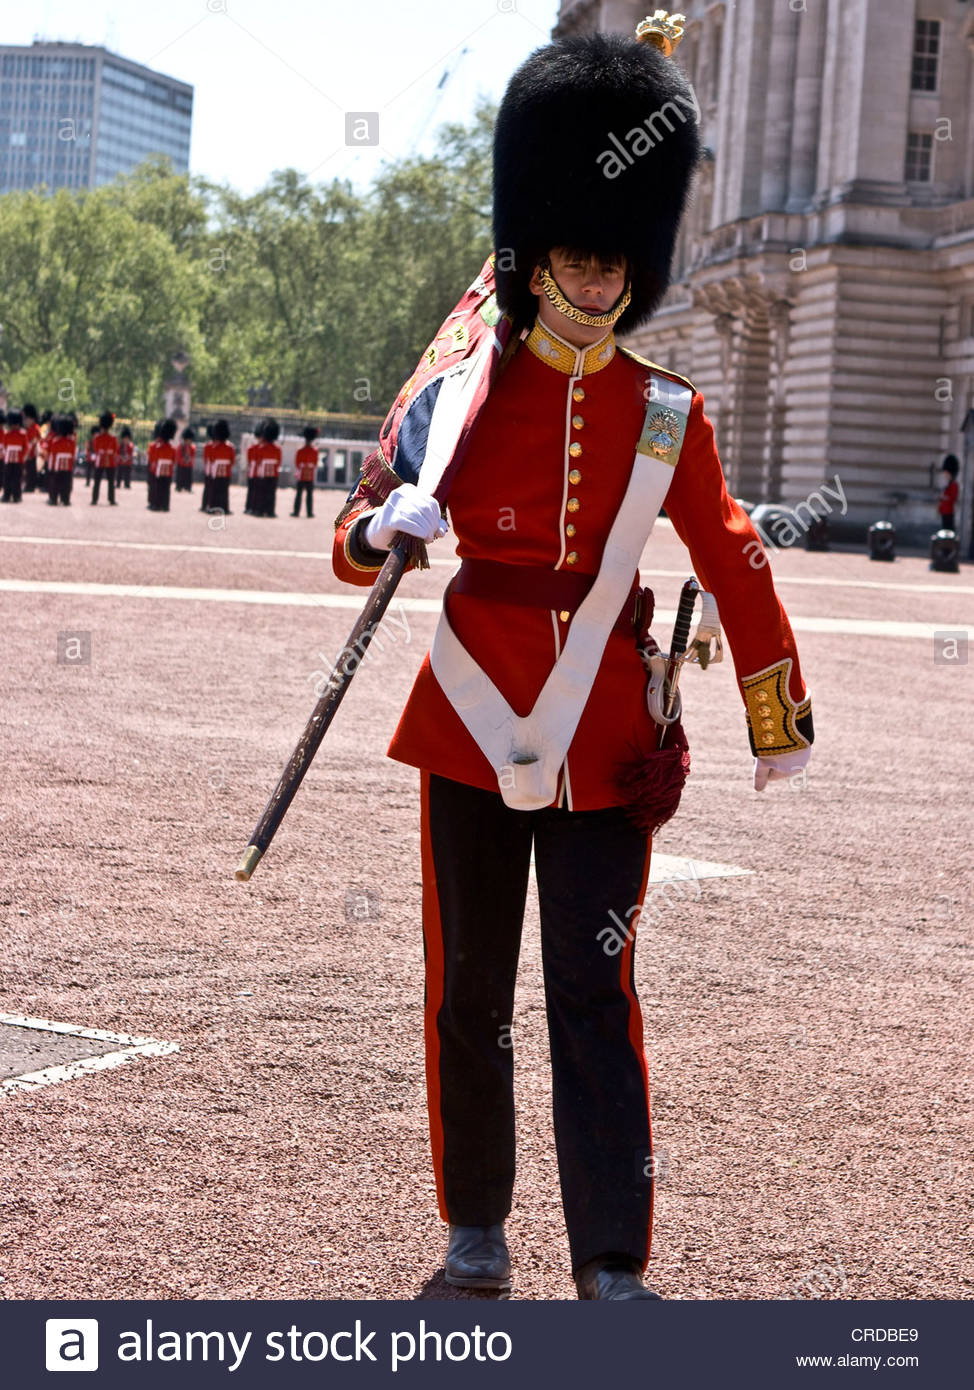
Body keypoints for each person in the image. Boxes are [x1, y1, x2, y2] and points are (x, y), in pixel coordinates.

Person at [331, 18, 814, 1301]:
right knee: (469, 993)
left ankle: (608, 1260)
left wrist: (778, 709)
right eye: (578, 258)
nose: (598, 282)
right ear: (536, 253)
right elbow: (352, 537)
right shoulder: (457, 394)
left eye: (615, 265)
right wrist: (389, 520)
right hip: (468, 718)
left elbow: (729, 550)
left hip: (604, 729)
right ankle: (474, 1231)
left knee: (594, 999)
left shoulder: (667, 411)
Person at [252, 418, 282, 517]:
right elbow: (278, 462)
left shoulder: (261, 448)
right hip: (273, 474)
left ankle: (260, 510)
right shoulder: (277, 449)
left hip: (262, 474)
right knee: (271, 493)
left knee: (261, 492)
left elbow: (257, 461)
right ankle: (270, 511)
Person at [147, 418, 178, 512]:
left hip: (158, 470)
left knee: (158, 487)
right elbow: (174, 461)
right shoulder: (172, 448)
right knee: (165, 488)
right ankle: (165, 505)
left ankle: (157, 504)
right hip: (167, 471)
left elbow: (152, 459)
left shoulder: (157, 447)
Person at [46, 414, 77, 505]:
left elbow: (52, 454)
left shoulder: (56, 441)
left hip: (57, 466)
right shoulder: (71, 442)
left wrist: (51, 467)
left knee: (55, 483)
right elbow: (72, 454)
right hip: (67, 467)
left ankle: (54, 498)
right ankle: (65, 499)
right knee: (66, 483)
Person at [90, 410, 119, 506]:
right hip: (109, 460)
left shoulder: (98, 438)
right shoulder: (113, 438)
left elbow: (95, 448)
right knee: (110, 482)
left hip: (101, 460)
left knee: (97, 481)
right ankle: (111, 499)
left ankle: (95, 499)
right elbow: (115, 450)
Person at [208, 418, 235, 515]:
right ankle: (225, 508)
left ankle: (213, 508)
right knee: (224, 491)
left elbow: (211, 460)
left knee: (215, 491)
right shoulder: (230, 447)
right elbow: (232, 461)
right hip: (226, 472)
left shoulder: (214, 447)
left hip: (216, 472)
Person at [1, 408, 29, 503]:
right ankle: (7, 495)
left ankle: (17, 495)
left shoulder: (23, 434)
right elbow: (4, 447)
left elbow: (26, 447)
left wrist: (24, 458)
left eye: (16, 424)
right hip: (8, 460)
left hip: (19, 460)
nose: (14, 426)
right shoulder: (7, 434)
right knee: (7, 478)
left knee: (17, 479)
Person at [292, 425, 318, 517]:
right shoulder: (315, 451)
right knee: (309, 495)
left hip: (301, 475)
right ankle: (309, 512)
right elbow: (315, 463)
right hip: (309, 475)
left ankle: (296, 511)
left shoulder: (300, 450)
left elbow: (297, 463)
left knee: (299, 494)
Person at [938, 455, 960, 532]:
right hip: (945, 513)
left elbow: (953, 498)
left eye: (947, 473)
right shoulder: (949, 484)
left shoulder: (954, 485)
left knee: (948, 531)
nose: (945, 475)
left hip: (949, 513)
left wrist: (944, 497)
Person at [21, 403, 40, 492]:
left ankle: (30, 486)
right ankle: (29, 485)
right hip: (28, 452)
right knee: (28, 470)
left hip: (31, 453)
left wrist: (28, 452)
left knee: (31, 470)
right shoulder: (30, 428)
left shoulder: (34, 428)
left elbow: (33, 442)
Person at [176, 426, 196, 492]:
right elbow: (178, 456)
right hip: (181, 464)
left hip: (189, 464)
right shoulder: (180, 446)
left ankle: (188, 487)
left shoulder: (192, 447)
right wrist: (183, 460)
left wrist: (189, 460)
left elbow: (193, 455)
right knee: (180, 476)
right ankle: (179, 487)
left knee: (188, 476)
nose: (188, 441)